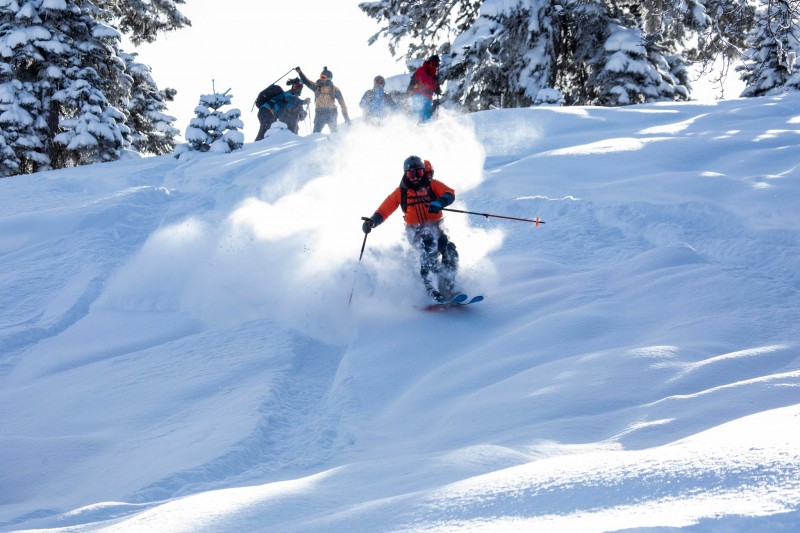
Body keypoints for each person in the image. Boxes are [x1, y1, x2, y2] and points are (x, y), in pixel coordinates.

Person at [362, 155, 460, 303]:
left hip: (436, 225)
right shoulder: (401, 192)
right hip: (415, 231)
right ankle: (430, 286)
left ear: (424, 172)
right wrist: (372, 222)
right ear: (405, 174)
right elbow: (384, 210)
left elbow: (449, 193)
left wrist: (440, 202)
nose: (415, 178)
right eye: (411, 174)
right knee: (428, 247)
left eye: (418, 173)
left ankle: (449, 284)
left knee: (448, 247)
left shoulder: (431, 185)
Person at [296, 66, 350, 133]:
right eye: (321, 77)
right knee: (315, 134)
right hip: (320, 112)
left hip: (332, 112)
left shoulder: (335, 89)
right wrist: (300, 73)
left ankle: (335, 142)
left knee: (334, 133)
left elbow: (342, 103)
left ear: (328, 79)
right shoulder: (316, 87)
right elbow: (306, 82)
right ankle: (313, 143)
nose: (321, 79)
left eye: (323, 77)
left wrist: (346, 116)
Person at [407, 54, 441, 122]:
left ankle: (424, 129)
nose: (434, 66)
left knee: (427, 115)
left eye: (436, 64)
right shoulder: (422, 70)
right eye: (432, 63)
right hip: (418, 95)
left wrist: (437, 89)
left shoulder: (434, 76)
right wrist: (409, 89)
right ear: (429, 62)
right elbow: (416, 80)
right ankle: (410, 127)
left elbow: (433, 87)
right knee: (417, 113)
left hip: (428, 98)